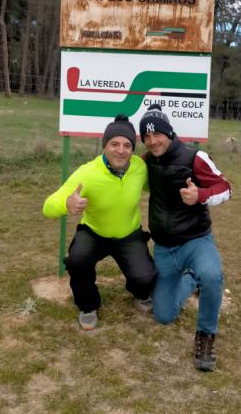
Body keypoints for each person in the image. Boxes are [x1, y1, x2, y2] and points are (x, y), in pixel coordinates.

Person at [139, 103, 232, 371]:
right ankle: (191, 279)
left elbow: (226, 188)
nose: (152, 140)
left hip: (196, 240)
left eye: (157, 134)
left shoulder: (195, 157)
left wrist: (200, 195)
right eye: (146, 136)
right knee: (163, 316)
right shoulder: (146, 161)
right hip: (164, 247)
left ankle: (205, 336)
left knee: (212, 276)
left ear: (169, 133)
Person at [43, 114, 157, 331]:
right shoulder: (88, 172)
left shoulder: (139, 168)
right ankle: (88, 305)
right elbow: (48, 205)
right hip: (94, 233)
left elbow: (155, 186)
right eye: (114, 144)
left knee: (145, 279)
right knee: (77, 260)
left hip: (128, 235)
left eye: (126, 145)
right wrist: (66, 204)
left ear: (133, 149)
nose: (121, 150)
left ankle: (139, 294)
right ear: (104, 146)